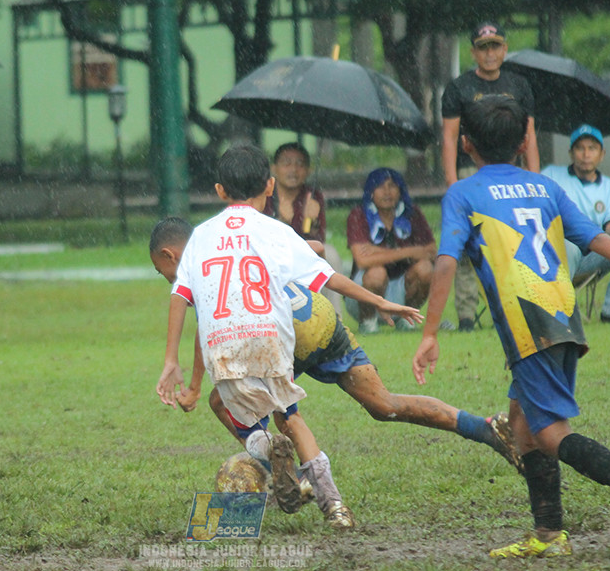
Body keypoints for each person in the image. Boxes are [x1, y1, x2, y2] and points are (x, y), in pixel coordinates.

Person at [413, 95, 610, 558]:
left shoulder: (463, 193)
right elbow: (595, 237)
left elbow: (445, 263)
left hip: (528, 324)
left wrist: (429, 334)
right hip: (563, 313)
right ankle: (548, 535)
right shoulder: (544, 187)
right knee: (521, 423)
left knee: (550, 433)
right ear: (524, 143)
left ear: (466, 144)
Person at [156, 145, 423, 529]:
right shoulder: (274, 230)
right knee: (291, 419)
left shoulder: (200, 236)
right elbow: (329, 276)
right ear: (269, 185)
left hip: (226, 348)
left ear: (219, 190)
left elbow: (181, 296)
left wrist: (171, 361)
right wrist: (380, 301)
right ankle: (335, 507)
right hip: (271, 339)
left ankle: (278, 460)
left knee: (246, 421)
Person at [149, 217, 522, 479]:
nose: (165, 277)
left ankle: (294, 478)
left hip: (283, 337)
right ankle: (485, 428)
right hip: (321, 321)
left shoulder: (201, 264)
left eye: (159, 269)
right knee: (384, 404)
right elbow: (314, 247)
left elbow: (206, 329)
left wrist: (194, 387)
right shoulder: (240, 237)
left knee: (232, 403)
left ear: (169, 255)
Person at [441, 21, 540, 332]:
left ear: (505, 49)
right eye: (483, 48)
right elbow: (449, 137)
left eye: (495, 46)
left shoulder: (519, 86)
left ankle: (517, 305)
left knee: (512, 238)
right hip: (472, 171)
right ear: (473, 52)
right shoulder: (459, 88)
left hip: (512, 171)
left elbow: (530, 136)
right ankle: (466, 315)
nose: (490, 53)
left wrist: (534, 179)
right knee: (468, 241)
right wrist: (452, 183)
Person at [541, 124, 610, 324]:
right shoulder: (551, 174)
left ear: (602, 154)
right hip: (554, 254)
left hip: (591, 255)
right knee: (567, 244)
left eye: (592, 148)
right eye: (580, 148)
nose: (586, 154)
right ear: (571, 152)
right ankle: (558, 310)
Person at [345, 167, 435, 334]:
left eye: (392, 186)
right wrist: (408, 252)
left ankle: (406, 320)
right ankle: (368, 323)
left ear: (401, 190)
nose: (387, 192)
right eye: (380, 186)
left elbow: (431, 253)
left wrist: (377, 252)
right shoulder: (359, 214)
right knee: (376, 273)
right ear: (371, 192)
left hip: (401, 288)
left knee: (425, 268)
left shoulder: (411, 213)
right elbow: (363, 261)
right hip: (363, 293)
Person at [263, 143, 344, 312]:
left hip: (302, 253)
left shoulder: (312, 195)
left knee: (331, 254)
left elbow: (319, 241)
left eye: (300, 164)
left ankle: (335, 317)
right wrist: (283, 221)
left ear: (308, 170)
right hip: (271, 254)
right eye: (287, 163)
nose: (293, 170)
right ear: (274, 168)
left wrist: (312, 222)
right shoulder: (265, 194)